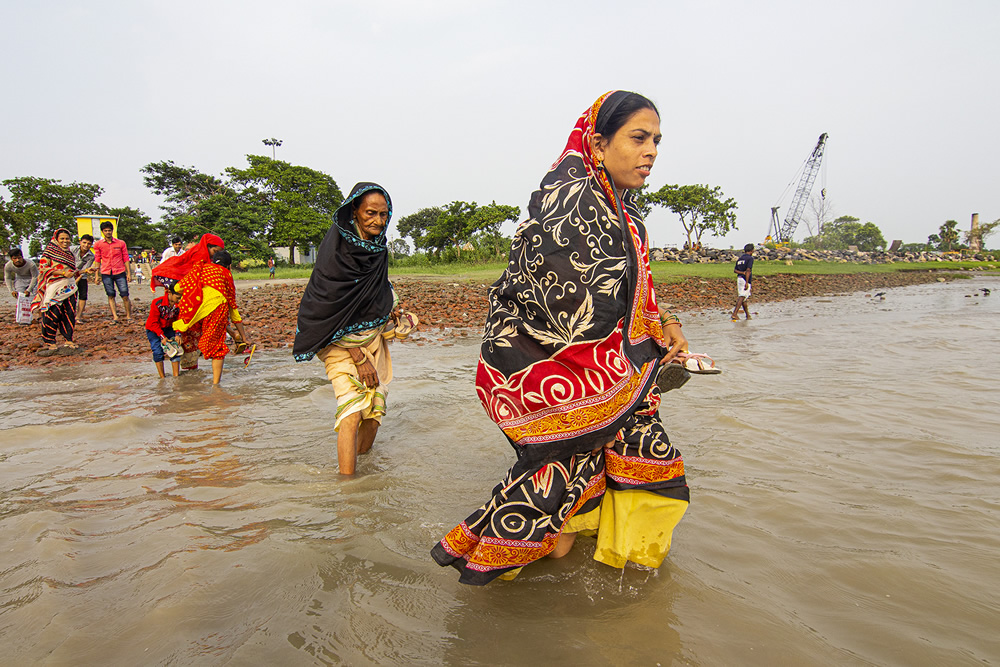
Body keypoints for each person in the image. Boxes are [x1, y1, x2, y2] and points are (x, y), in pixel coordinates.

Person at [432, 91, 694, 585]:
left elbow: (635, 285)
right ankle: (510, 575)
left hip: (613, 374)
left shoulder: (626, 213)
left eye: (657, 140)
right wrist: (638, 355)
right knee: (559, 487)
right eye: (639, 138)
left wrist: (666, 323)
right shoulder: (566, 206)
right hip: (559, 374)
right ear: (597, 143)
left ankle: (562, 597)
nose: (652, 151)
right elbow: (558, 309)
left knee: (600, 479)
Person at [293, 183, 408, 475]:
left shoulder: (377, 249)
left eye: (383, 215)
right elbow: (325, 307)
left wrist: (393, 308)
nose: (378, 221)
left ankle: (362, 482)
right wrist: (357, 355)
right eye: (370, 213)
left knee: (375, 413)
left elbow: (379, 287)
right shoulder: (335, 254)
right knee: (352, 411)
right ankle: (347, 493)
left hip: (372, 340)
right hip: (336, 341)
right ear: (354, 211)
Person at [171, 249, 250, 385]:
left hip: (194, 313)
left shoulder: (200, 269)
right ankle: (216, 385)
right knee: (217, 347)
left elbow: (178, 288)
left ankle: (187, 373)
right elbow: (233, 308)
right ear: (229, 266)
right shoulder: (226, 274)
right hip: (217, 309)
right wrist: (244, 337)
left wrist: (196, 287)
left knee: (195, 341)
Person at [31, 228, 80, 356]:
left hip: (69, 288)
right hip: (54, 286)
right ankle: (50, 341)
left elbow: (72, 271)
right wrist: (62, 273)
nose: (65, 241)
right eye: (62, 239)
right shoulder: (49, 252)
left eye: (67, 239)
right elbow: (43, 268)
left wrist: (85, 271)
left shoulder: (70, 254)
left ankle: (68, 339)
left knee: (69, 313)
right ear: (56, 239)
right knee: (52, 313)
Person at [91, 221, 133, 322]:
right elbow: (97, 260)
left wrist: (129, 273)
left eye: (109, 230)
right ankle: (115, 316)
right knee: (110, 294)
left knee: (125, 294)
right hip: (106, 272)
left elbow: (126, 258)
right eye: (105, 231)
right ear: (102, 232)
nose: (108, 232)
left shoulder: (120, 243)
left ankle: (128, 316)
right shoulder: (98, 244)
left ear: (112, 231)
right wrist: (97, 275)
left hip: (119, 271)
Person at [145, 288, 182, 378]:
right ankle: (162, 377)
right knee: (157, 352)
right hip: (153, 329)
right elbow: (153, 322)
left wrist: (178, 334)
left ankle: (176, 377)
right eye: (177, 297)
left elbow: (179, 320)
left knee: (175, 349)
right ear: (170, 293)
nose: (179, 300)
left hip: (169, 327)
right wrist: (162, 336)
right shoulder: (157, 303)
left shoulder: (179, 305)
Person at [5, 248, 39, 322]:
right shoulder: (8, 266)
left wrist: (29, 289)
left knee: (36, 297)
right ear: (11, 259)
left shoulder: (31, 264)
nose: (18, 260)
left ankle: (39, 315)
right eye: (15, 258)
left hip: (32, 278)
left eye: (19, 258)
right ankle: (23, 318)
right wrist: (11, 291)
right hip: (20, 279)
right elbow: (7, 278)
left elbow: (35, 277)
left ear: (22, 257)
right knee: (20, 297)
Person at [70, 234, 96, 323]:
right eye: (84, 242)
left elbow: (85, 270)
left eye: (89, 244)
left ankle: (78, 316)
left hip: (82, 276)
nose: (86, 245)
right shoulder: (72, 250)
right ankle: (69, 316)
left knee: (83, 296)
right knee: (70, 297)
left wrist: (77, 280)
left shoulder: (91, 256)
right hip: (69, 275)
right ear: (80, 242)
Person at [731, 243, 755, 321]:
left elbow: (735, 270)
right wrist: (747, 282)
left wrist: (741, 273)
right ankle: (735, 313)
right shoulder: (750, 258)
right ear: (751, 251)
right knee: (742, 296)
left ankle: (747, 315)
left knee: (743, 297)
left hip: (739, 278)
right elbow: (748, 270)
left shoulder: (740, 259)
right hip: (745, 279)